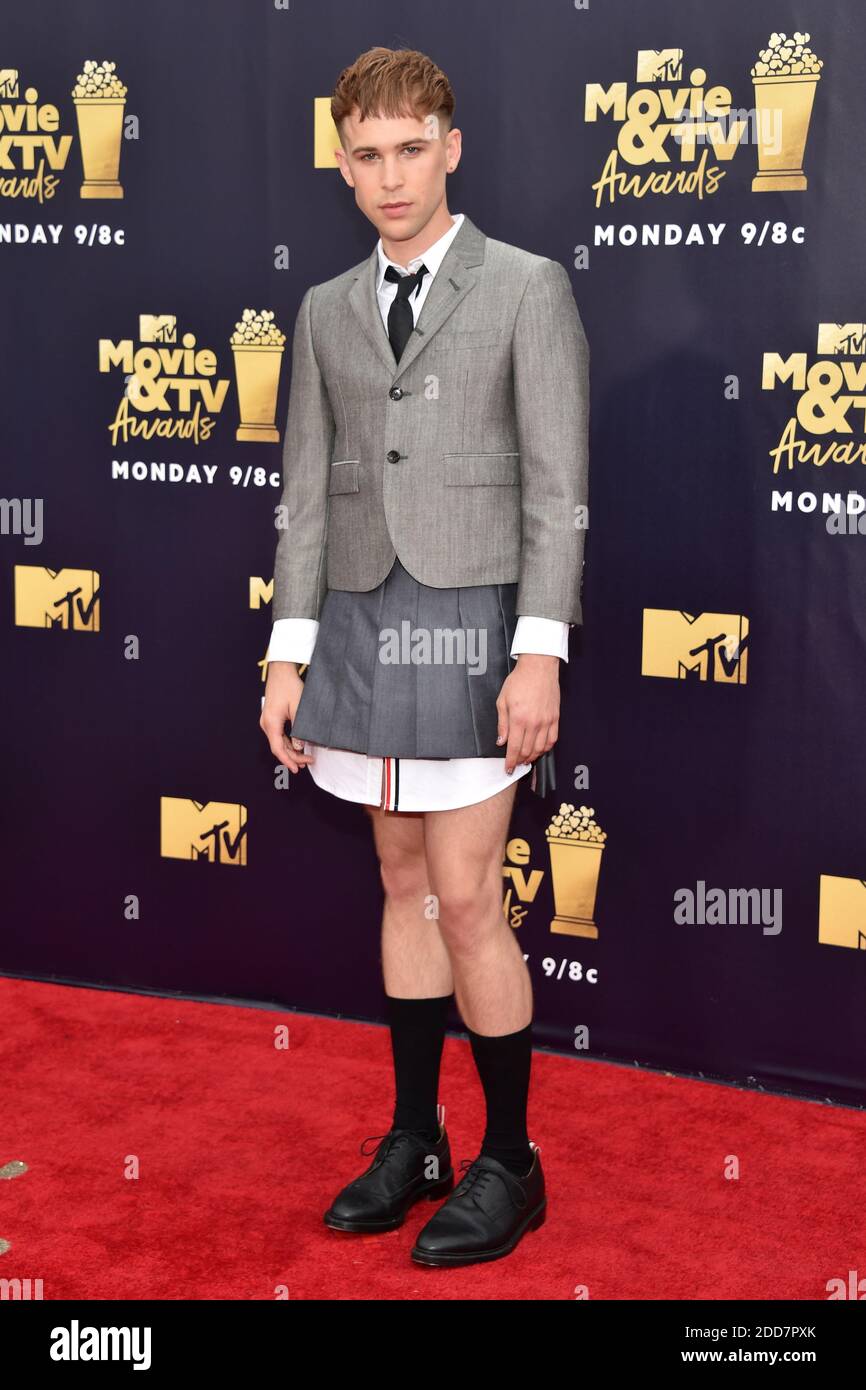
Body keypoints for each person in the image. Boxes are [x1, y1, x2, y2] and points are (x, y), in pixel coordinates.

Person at [260, 45, 589, 1267]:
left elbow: (556, 491)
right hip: (353, 628)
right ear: (340, 165)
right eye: (366, 155)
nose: (389, 176)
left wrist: (537, 652)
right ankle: (418, 1137)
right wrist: (285, 657)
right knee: (399, 889)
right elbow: (302, 497)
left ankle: (511, 1159)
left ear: (449, 148)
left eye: (411, 150)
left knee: (464, 896)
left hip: (473, 631)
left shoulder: (525, 289)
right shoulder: (323, 308)